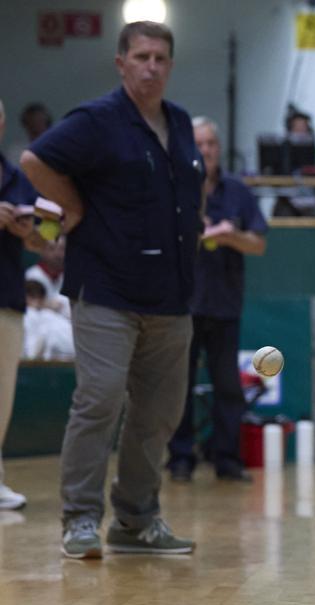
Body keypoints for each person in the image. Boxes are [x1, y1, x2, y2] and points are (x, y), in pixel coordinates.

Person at [21, 21, 201, 559]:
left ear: (170, 65)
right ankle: (79, 519)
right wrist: (71, 208)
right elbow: (35, 161)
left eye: (160, 58)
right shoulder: (97, 120)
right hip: (105, 288)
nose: (151, 66)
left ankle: (137, 520)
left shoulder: (182, 123)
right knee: (98, 399)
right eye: (141, 56)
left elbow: (188, 198)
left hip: (171, 295)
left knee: (159, 413)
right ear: (121, 63)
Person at [166, 117, 268, 483]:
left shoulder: (238, 192)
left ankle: (227, 459)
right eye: (199, 143)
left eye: (211, 143)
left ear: (218, 148)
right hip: (183, 304)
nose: (205, 150)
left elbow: (258, 244)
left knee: (228, 385)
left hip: (225, 304)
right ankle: (180, 458)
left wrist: (229, 236)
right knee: (180, 384)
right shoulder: (175, 186)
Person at [0, 98, 43, 511]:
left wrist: (30, 231)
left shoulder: (17, 177)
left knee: (2, 395)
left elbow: (47, 233)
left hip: (7, 297)